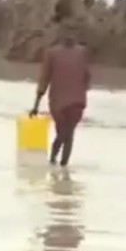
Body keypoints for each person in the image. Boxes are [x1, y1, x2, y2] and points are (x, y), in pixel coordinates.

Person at [31, 21, 91, 167]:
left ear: (77, 35)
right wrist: (36, 106)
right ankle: (53, 159)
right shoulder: (52, 53)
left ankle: (63, 167)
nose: (70, 35)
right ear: (61, 34)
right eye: (67, 32)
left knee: (69, 134)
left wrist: (82, 88)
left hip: (76, 102)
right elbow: (44, 79)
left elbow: (87, 75)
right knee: (62, 133)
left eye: (73, 32)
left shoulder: (82, 52)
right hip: (58, 102)